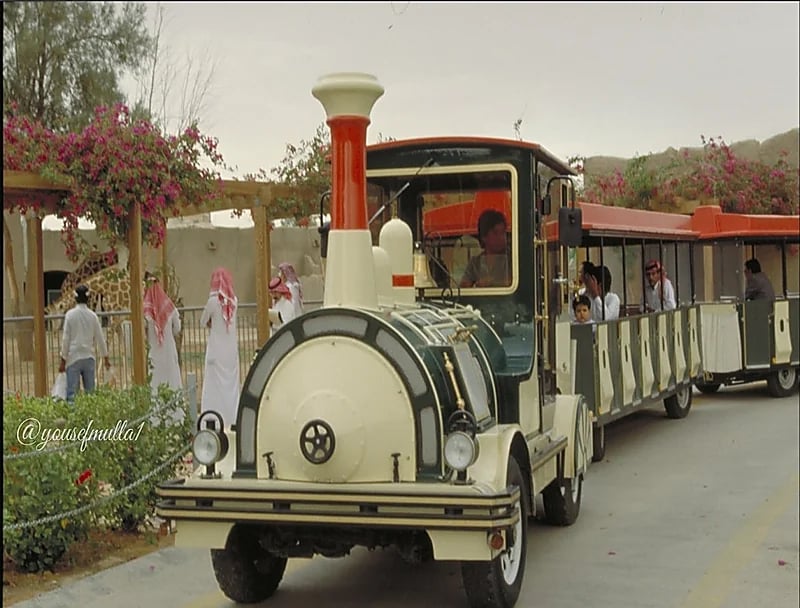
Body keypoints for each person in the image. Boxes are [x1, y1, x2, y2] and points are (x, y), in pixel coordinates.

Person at [200, 268, 240, 429]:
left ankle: (212, 421)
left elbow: (202, 322)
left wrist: (211, 322)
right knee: (231, 386)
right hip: (230, 352)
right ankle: (231, 418)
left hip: (216, 352)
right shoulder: (234, 301)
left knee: (213, 386)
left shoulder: (212, 302)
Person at [58, 284, 110, 403]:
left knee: (72, 396)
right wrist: (105, 357)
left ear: (75, 298)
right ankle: (90, 419)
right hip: (89, 357)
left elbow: (66, 339)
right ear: (88, 298)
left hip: (73, 358)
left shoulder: (70, 315)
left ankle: (73, 419)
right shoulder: (93, 316)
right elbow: (100, 338)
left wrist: (63, 359)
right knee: (90, 395)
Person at [143, 274, 183, 394]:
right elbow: (177, 328)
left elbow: (143, 332)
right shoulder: (170, 307)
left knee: (155, 382)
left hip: (154, 353)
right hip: (169, 351)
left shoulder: (146, 311)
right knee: (172, 381)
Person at [459, 209, 511, 288]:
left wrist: (493, 283)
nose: (501, 237)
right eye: (495, 233)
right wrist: (477, 285)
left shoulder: (512, 260)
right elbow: (463, 288)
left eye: (503, 232)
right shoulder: (475, 263)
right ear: (484, 237)